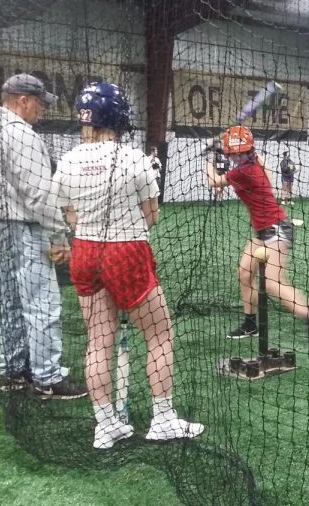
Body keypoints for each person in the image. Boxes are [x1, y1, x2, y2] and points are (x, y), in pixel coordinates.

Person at [53, 81, 204, 449]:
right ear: (117, 116)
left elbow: (68, 214)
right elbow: (151, 216)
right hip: (126, 251)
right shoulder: (133, 158)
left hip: (86, 251)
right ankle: (163, 419)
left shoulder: (69, 159)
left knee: (98, 341)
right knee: (159, 334)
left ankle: (106, 425)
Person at [0, 73, 86, 400]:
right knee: (41, 304)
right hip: (23, 228)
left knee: (10, 301)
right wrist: (59, 236)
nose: (42, 110)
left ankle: (13, 372)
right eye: (38, 102)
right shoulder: (21, 134)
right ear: (22, 100)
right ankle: (47, 379)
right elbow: (39, 196)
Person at [205, 125, 309, 344]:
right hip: (261, 232)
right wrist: (223, 147)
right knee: (245, 274)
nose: (235, 156)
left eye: (237, 153)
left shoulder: (243, 171)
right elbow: (262, 162)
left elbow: (215, 182)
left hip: (276, 230)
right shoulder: (255, 161)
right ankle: (250, 324)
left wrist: (208, 158)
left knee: (273, 283)